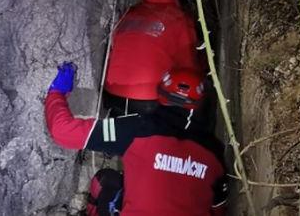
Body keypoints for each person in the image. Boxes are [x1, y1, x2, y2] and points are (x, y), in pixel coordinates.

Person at [45, 63, 229, 215]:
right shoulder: (215, 153)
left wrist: (56, 93)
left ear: (161, 95)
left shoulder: (136, 129)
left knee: (105, 181)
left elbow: (62, 131)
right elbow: (219, 209)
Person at [104, 0, 203, 115]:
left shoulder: (131, 13)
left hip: (111, 92)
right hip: (149, 98)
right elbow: (188, 66)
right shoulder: (179, 18)